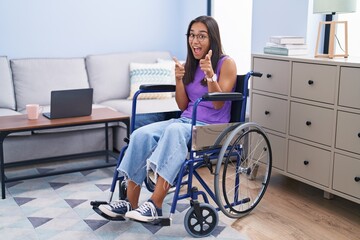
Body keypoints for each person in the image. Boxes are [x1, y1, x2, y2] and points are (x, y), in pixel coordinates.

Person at [99, 15, 237, 222]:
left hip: (212, 127)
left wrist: (210, 75)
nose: (195, 41)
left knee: (174, 131)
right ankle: (130, 202)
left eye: (201, 36)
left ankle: (155, 204)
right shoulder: (190, 64)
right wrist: (179, 80)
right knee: (140, 134)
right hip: (186, 122)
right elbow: (182, 106)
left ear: (212, 39)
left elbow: (219, 103)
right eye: (192, 35)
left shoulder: (226, 63)